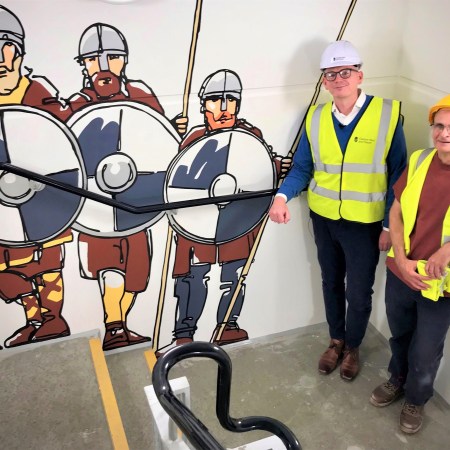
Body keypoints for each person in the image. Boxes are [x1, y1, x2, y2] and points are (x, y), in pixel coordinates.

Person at [269, 40, 407, 381]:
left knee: (358, 291)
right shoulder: (315, 117)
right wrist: (282, 197)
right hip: (324, 218)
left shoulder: (388, 114)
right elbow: (302, 168)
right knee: (330, 281)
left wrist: (389, 226)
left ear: (360, 75)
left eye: (345, 71)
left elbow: (398, 175)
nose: (338, 79)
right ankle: (336, 340)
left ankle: (353, 346)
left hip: (365, 224)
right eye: (331, 74)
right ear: (324, 82)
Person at [66, 23, 187, 351]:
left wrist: (171, 129)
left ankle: (119, 324)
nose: (103, 66)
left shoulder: (140, 95)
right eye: (94, 59)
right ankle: (115, 326)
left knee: (136, 275)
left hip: (138, 197)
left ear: (124, 60)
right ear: (84, 65)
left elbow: (159, 142)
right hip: (96, 202)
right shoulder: (76, 104)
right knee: (109, 267)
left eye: (112, 57)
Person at [162, 69, 287, 350]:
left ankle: (227, 326)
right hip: (199, 219)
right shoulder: (194, 139)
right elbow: (179, 181)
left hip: (236, 217)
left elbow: (260, 166)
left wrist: (279, 165)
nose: (223, 108)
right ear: (203, 105)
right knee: (193, 277)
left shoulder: (250, 135)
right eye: (215, 100)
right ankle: (184, 334)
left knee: (235, 274)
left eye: (230, 100)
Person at [369, 95, 450, 434]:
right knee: (400, 335)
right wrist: (401, 260)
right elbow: (397, 210)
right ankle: (397, 379)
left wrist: (447, 251)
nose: (444, 134)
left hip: (441, 284)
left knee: (426, 349)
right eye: (439, 126)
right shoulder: (419, 160)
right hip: (403, 272)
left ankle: (416, 399)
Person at [0, 5, 73, 348]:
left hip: (43, 195)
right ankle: (34, 319)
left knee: (46, 266)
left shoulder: (37, 93)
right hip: (4, 201)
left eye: (6, 45)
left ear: (18, 50)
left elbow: (65, 137)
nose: (1, 57)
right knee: (9, 267)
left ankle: (52, 320)